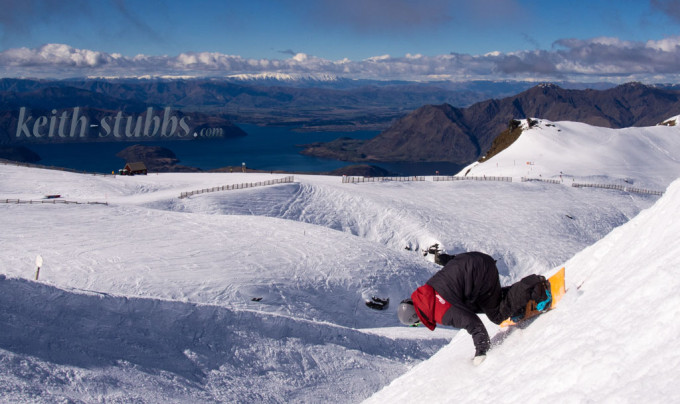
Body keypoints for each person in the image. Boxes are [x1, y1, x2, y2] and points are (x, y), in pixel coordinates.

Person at [397, 251, 550, 365]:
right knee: (475, 304)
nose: (419, 324)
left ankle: (535, 287)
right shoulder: (427, 294)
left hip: (481, 272)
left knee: (497, 315)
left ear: (416, 317)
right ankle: (518, 305)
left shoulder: (439, 311)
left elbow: (473, 324)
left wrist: (481, 351)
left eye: (416, 323)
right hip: (474, 263)